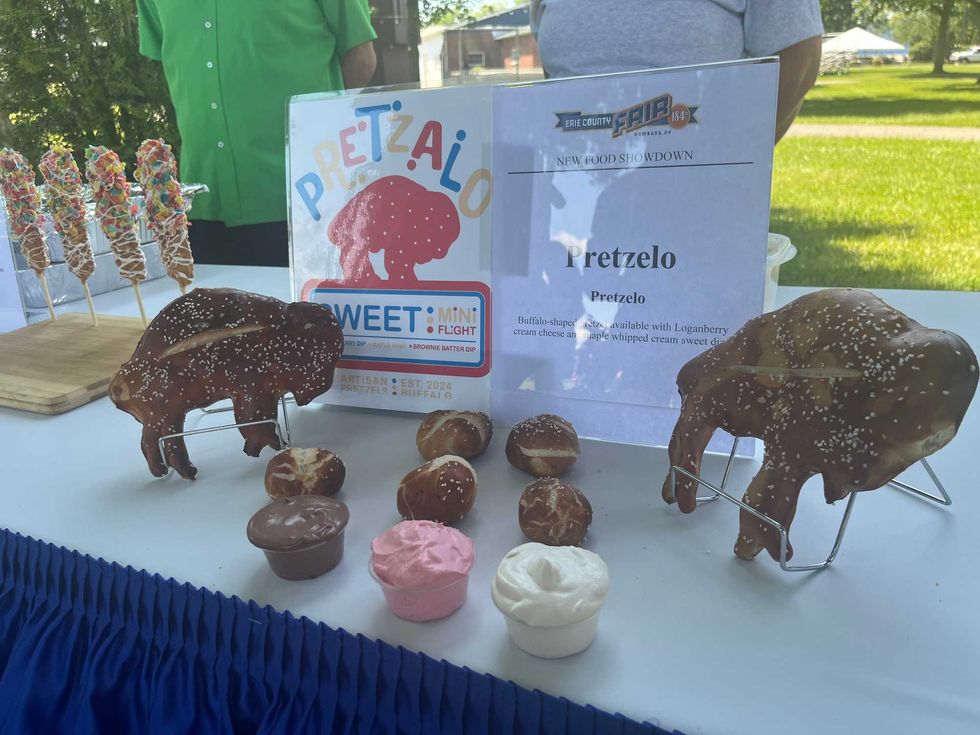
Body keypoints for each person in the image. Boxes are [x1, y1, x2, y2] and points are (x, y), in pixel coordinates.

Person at [136, 1, 377, 266]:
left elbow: (361, 58)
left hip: (307, 202)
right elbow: (178, 63)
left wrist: (316, 126)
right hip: (202, 206)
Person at [531, 0, 823, 142]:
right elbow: (554, 66)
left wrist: (735, 156)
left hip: (699, 196)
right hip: (572, 195)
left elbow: (799, 56)